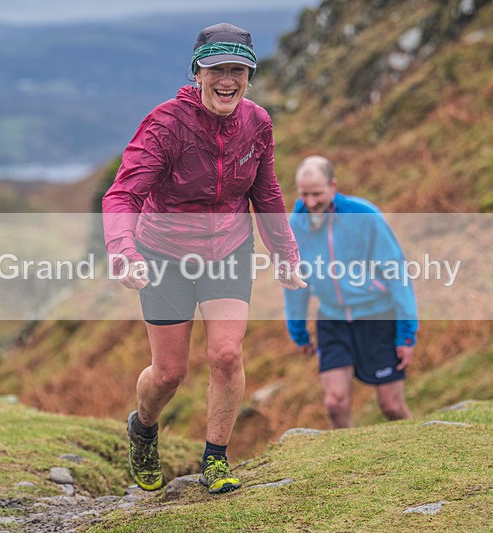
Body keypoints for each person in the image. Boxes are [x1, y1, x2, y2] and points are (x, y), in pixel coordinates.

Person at [102, 23, 305, 494]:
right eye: (216, 69)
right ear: (197, 73)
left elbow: (266, 191)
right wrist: (124, 251)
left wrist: (285, 253)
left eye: (238, 70)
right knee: (169, 373)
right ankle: (143, 427)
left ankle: (216, 458)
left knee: (227, 354)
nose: (227, 80)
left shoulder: (257, 122)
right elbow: (123, 194)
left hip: (228, 250)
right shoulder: (166, 124)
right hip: (163, 255)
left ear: (250, 76)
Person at [283, 155, 417, 428]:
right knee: (335, 402)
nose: (310, 202)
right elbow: (295, 281)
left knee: (391, 407)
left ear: (333, 187)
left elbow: (397, 274)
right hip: (332, 321)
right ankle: (346, 453)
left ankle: (422, 446)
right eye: (304, 195)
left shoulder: (365, 216)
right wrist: (297, 329)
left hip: (377, 317)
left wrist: (406, 332)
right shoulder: (295, 226)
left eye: (317, 194)